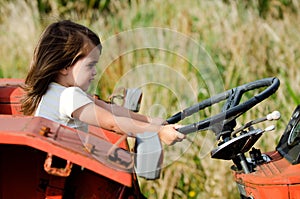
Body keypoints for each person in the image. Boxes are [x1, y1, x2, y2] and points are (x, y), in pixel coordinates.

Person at [21, 20, 185, 145]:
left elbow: (108, 109)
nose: (95, 72)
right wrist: (157, 132)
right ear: (65, 66)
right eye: (90, 65)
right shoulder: (69, 96)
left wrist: (150, 121)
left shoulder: (55, 91)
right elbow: (113, 123)